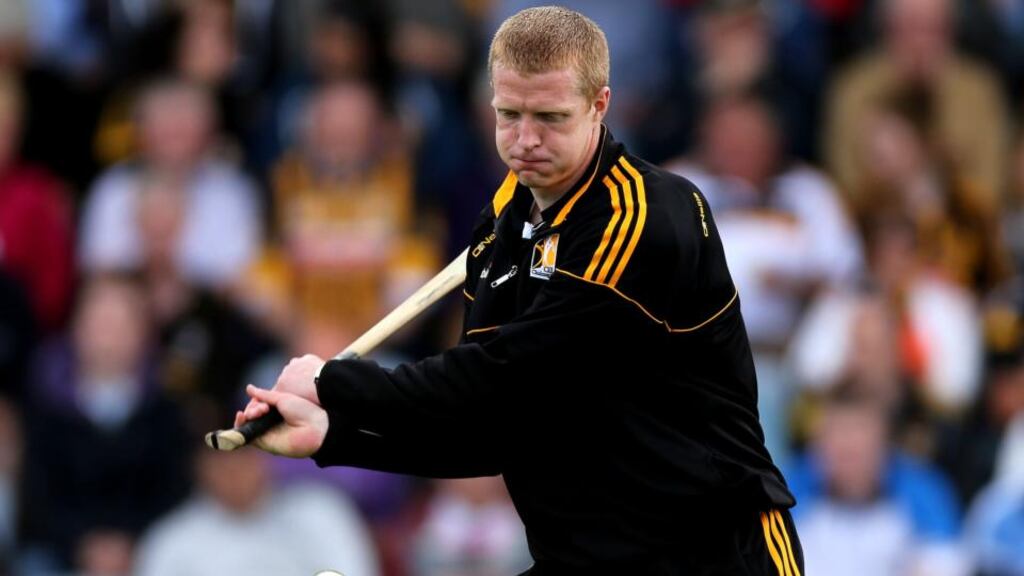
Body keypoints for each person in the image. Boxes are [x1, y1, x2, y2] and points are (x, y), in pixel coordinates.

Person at [235, 7, 803, 575]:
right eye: (510, 115)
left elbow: (503, 375)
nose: (526, 140)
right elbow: (489, 427)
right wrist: (334, 436)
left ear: (599, 106)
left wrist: (333, 382)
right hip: (584, 557)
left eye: (551, 117)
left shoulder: (643, 218)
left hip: (710, 550)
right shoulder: (504, 225)